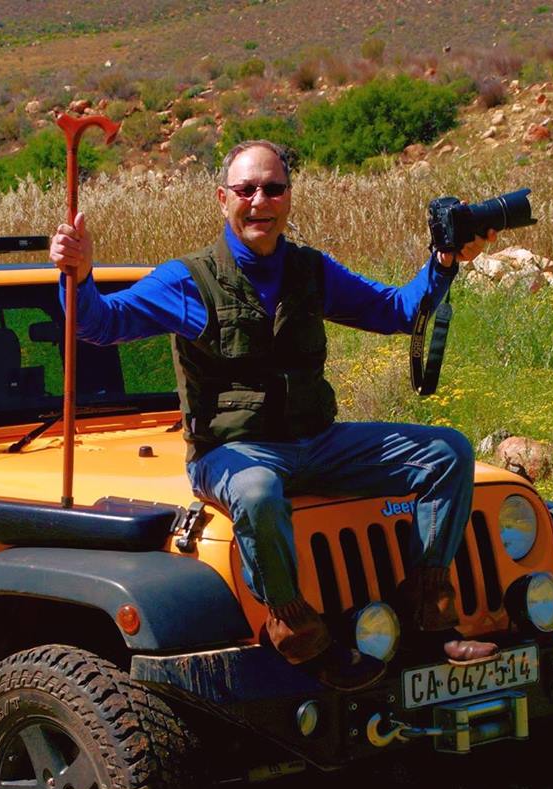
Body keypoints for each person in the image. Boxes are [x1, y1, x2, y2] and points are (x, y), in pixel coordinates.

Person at [50, 139, 498, 692]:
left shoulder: (311, 270)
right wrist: (79, 276)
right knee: (258, 490)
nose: (259, 201)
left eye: (273, 188)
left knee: (447, 453)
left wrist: (444, 262)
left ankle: (429, 616)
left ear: (289, 197)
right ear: (223, 199)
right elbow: (99, 324)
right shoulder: (188, 279)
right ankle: (300, 635)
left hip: (316, 443)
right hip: (229, 454)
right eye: (246, 190)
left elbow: (396, 311)